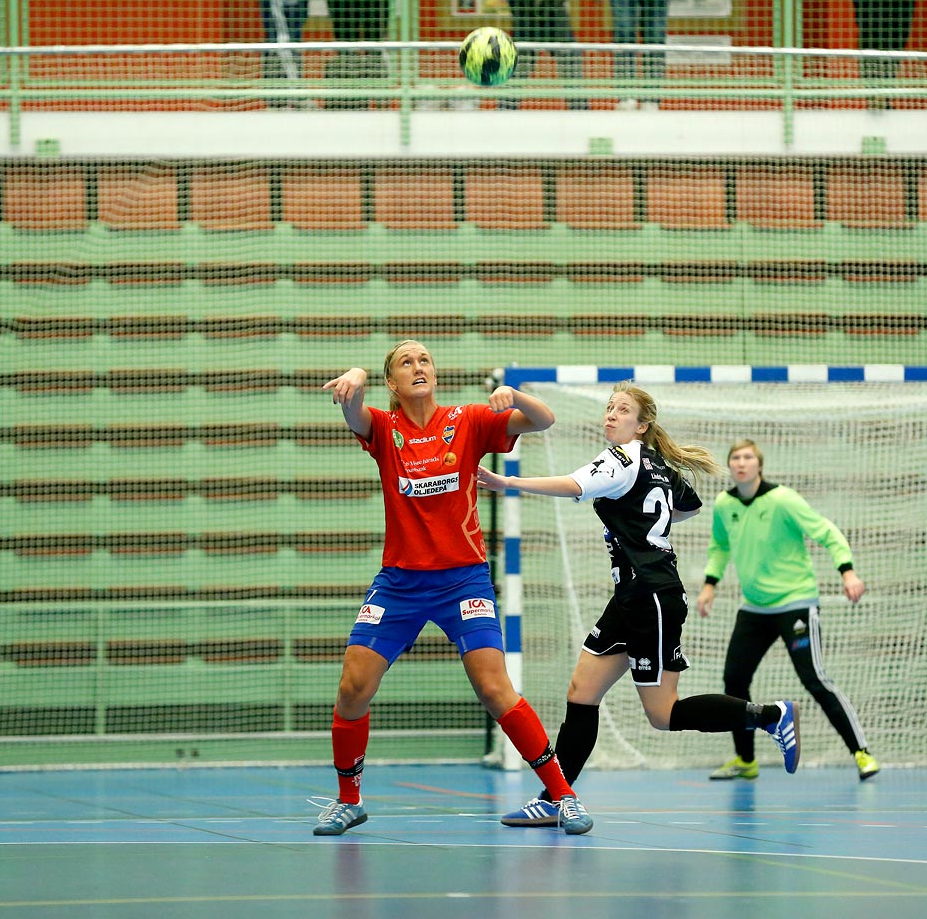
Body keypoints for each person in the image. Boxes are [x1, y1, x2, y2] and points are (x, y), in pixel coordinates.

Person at [476, 383, 801, 827]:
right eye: (609, 408)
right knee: (581, 693)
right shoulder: (659, 466)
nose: (611, 414)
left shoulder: (621, 458)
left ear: (641, 425)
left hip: (651, 597)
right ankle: (556, 798)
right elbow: (687, 506)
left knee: (663, 715)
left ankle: (769, 715)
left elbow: (574, 485)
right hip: (632, 595)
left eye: (622, 410)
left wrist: (508, 481)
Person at [313, 340, 593, 837]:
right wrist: (353, 375)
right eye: (406, 362)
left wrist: (515, 395)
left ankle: (563, 796)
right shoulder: (384, 427)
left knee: (494, 687)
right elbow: (353, 412)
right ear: (393, 385)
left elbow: (544, 419)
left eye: (425, 360)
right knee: (353, 687)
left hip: (463, 578)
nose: (418, 367)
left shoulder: (467, 420)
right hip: (399, 582)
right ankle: (348, 800)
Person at [697, 439, 878, 782]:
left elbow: (826, 532)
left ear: (759, 465)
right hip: (753, 609)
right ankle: (746, 760)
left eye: (748, 457)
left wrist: (848, 570)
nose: (741, 462)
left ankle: (862, 753)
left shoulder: (783, 499)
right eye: (735, 457)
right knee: (734, 680)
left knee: (815, 680)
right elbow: (719, 546)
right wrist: (710, 584)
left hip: (795, 604)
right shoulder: (723, 504)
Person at [498, 0, 601, 111]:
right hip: (529, 7)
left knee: (568, 56)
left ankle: (579, 108)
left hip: (551, 5)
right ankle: (506, 107)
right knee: (524, 59)